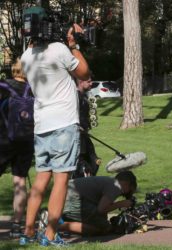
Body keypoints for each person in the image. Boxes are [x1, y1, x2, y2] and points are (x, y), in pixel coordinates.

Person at [19, 23, 90, 246]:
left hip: (42, 125)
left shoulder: (25, 56)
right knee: (61, 180)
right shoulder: (60, 49)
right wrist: (74, 44)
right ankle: (49, 235)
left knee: (41, 179)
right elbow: (84, 72)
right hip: (64, 124)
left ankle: (28, 232)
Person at [0, 58, 34, 237]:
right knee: (19, 182)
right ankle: (15, 227)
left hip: (4, 140)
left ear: (13, 69)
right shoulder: (33, 89)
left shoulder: (3, 86)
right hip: (26, 142)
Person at [52, 170, 137, 236]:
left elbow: (100, 209)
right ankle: (55, 225)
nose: (127, 194)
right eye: (130, 190)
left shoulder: (110, 181)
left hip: (64, 195)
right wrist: (121, 204)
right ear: (127, 184)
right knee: (104, 228)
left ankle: (56, 218)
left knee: (101, 221)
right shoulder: (116, 186)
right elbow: (101, 210)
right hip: (72, 200)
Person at [74, 78, 101, 177]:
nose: (91, 83)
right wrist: (77, 126)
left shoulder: (84, 95)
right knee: (82, 160)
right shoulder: (75, 96)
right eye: (88, 81)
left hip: (84, 134)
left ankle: (88, 179)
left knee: (93, 159)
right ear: (81, 82)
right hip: (77, 135)